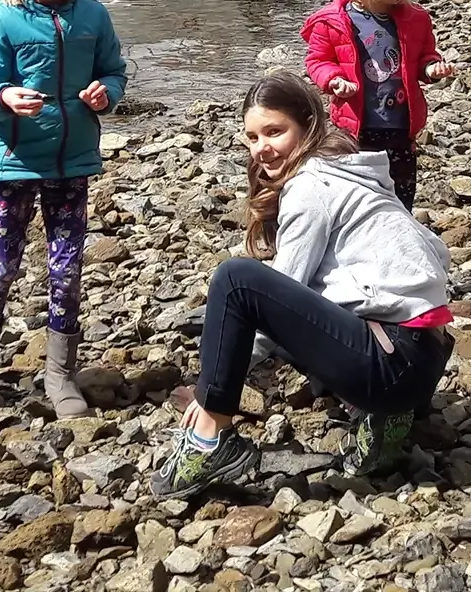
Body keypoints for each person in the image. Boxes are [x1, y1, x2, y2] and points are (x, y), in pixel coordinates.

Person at [150, 72, 453, 499]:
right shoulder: (354, 175)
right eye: (252, 138)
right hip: (424, 358)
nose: (262, 149)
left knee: (236, 280)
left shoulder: (311, 186)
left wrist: (211, 388)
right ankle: (382, 416)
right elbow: (437, 252)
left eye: (275, 132)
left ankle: (208, 437)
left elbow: (277, 289)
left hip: (391, 366)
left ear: (308, 125)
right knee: (295, 296)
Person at [0, 0, 127, 418]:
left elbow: (114, 73)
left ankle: (60, 373)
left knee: (67, 269)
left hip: (73, 162)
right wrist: (4, 95)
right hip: (14, 162)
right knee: (1, 266)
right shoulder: (0, 18)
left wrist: (106, 96)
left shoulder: (93, 16)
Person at [301, 0, 454, 208]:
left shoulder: (415, 19)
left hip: (400, 126)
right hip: (354, 126)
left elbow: (424, 56)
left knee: (401, 192)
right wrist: (333, 79)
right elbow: (318, 60)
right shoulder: (332, 21)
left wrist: (431, 68)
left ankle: (398, 232)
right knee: (357, 193)